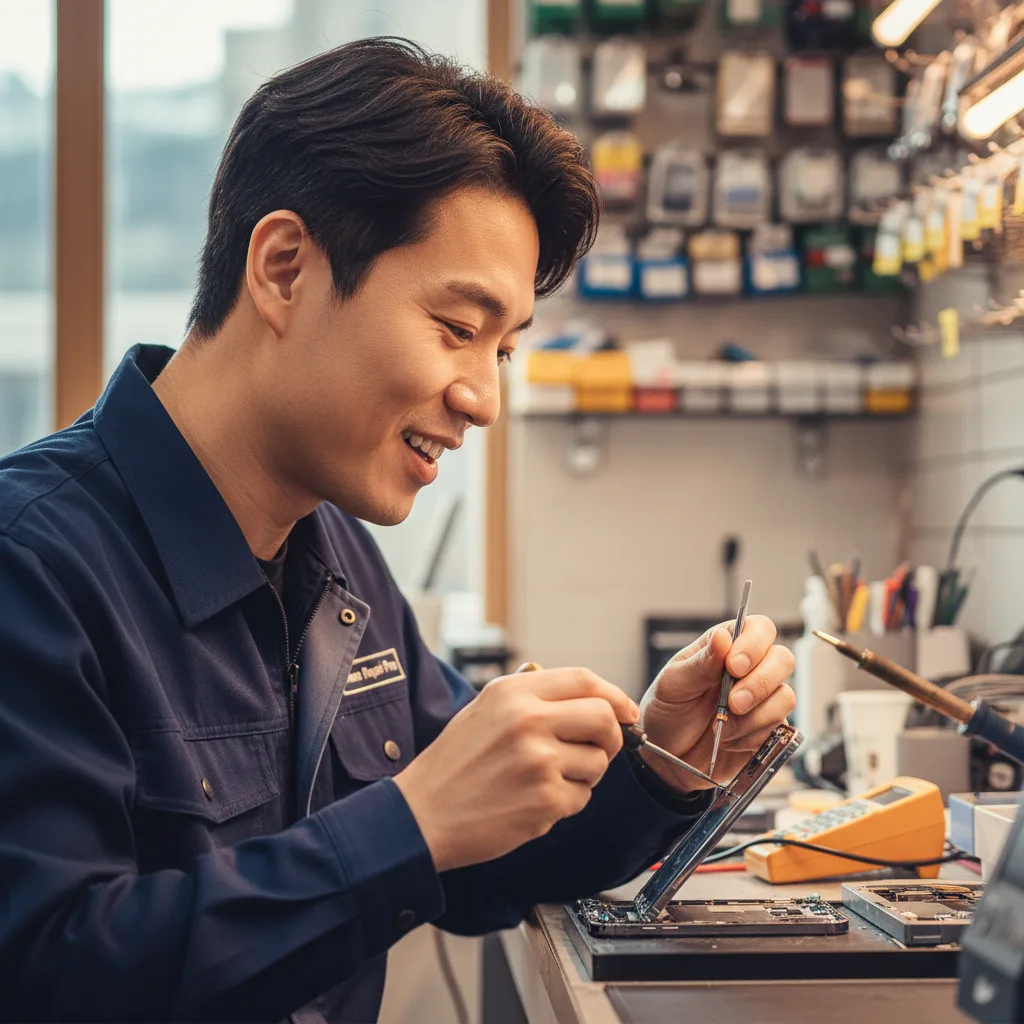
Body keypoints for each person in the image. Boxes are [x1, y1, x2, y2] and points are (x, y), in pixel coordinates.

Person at [0, 38, 796, 1023]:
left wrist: (663, 765)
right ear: (285, 268)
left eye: (504, 349)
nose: (483, 398)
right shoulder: (32, 563)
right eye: (458, 328)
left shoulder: (336, 560)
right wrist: (409, 822)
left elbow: (483, 848)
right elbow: (46, 966)